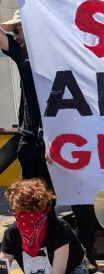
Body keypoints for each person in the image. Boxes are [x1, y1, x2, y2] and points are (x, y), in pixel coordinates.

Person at [1, 179, 92, 274]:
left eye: (29, 211)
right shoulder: (12, 233)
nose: (23, 216)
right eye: (19, 210)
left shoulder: (58, 228)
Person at [1, 11, 53, 190]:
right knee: (35, 202)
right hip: (30, 141)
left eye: (17, 29)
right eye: (13, 31)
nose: (14, 36)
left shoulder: (59, 56)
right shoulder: (22, 57)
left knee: (67, 201)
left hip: (59, 141)